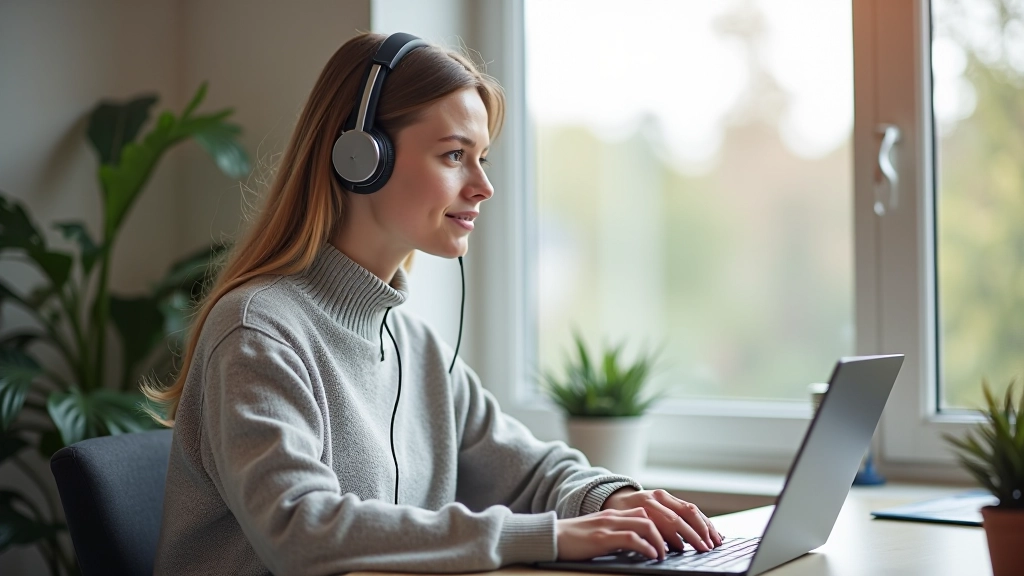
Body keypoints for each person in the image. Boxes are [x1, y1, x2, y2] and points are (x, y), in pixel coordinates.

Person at [145, 32, 721, 576]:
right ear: (361, 158)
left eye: (483, 158)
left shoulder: (412, 345)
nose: (482, 186)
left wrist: (617, 499)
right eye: (453, 155)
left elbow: (530, 471)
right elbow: (301, 529)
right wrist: (549, 536)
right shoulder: (259, 332)